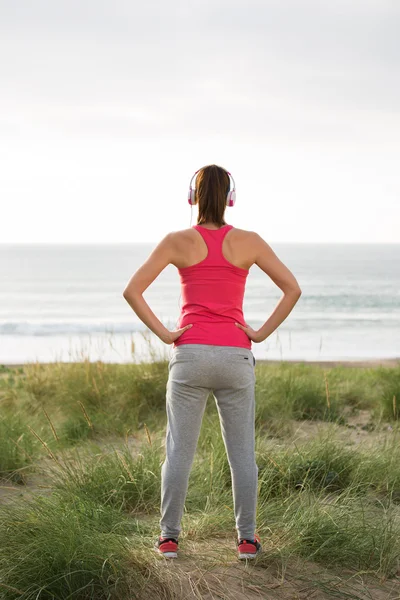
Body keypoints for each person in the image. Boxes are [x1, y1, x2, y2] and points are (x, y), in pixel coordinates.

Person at [123, 164, 302, 560]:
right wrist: (259, 333)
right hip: (236, 356)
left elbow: (132, 291)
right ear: (231, 198)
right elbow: (292, 289)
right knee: (242, 455)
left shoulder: (177, 241)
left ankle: (169, 538)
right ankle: (246, 540)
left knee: (179, 453)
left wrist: (167, 334)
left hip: (190, 356)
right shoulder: (250, 241)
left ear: (192, 197)